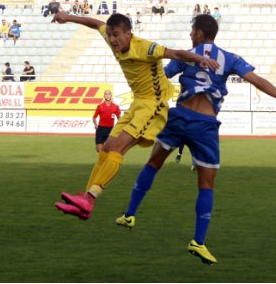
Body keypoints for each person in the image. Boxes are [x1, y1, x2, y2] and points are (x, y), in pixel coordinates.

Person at [115, 14, 276, 265]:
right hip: (205, 126)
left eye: (192, 30)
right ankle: (198, 241)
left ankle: (130, 214)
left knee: (153, 163)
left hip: (179, 116)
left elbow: (160, 76)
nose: (189, 34)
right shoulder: (229, 58)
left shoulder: (187, 55)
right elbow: (258, 81)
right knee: (206, 185)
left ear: (199, 32)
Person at [51, 12, 220, 221]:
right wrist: (68, 17)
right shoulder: (111, 37)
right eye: (111, 35)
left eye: (117, 35)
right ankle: (85, 202)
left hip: (153, 105)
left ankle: (90, 197)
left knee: (119, 148)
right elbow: (96, 24)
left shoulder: (145, 47)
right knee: (106, 149)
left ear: (128, 34)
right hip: (137, 102)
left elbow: (175, 54)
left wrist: (200, 58)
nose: (113, 39)